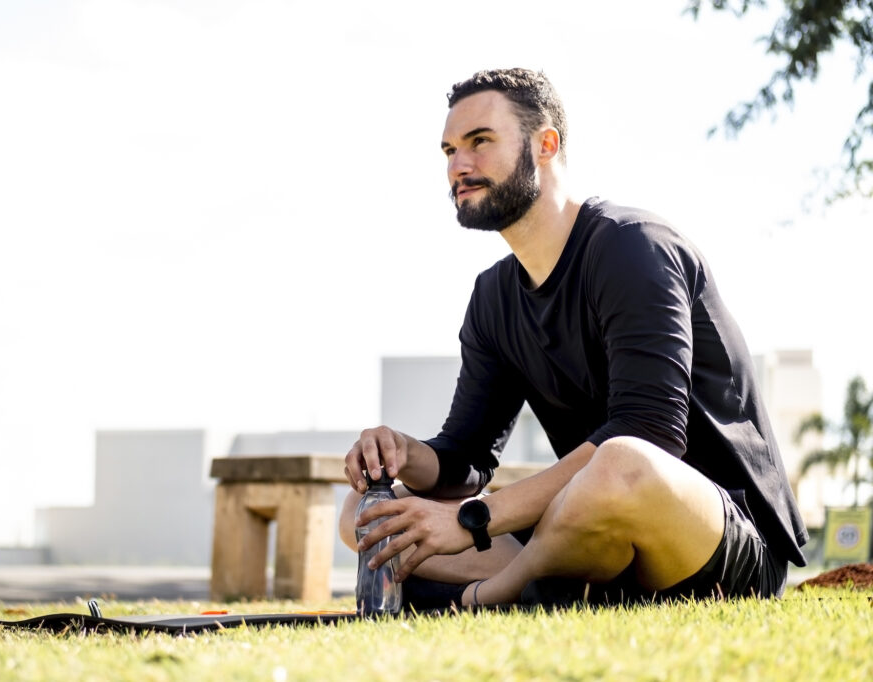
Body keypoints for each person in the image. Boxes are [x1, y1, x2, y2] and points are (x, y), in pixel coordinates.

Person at [338, 68, 808, 609]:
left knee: (621, 461)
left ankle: (486, 597)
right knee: (363, 514)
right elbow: (465, 460)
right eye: (448, 150)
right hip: (591, 527)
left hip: (716, 537)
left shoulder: (634, 248)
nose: (458, 166)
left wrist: (472, 521)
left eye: (479, 142)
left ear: (545, 144)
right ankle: (555, 583)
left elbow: (651, 431)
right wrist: (403, 454)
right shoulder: (493, 297)